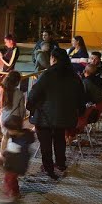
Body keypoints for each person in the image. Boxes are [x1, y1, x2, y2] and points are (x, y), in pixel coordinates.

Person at [26, 48, 85, 180]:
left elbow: (34, 93)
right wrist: (80, 112)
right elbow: (81, 96)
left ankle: (49, 169)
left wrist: (30, 107)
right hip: (64, 117)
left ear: (53, 58)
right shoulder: (73, 75)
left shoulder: (48, 74)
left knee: (46, 144)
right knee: (59, 140)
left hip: (44, 117)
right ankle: (61, 164)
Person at [0, 71, 25, 163]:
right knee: (15, 140)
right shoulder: (20, 94)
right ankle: (12, 160)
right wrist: (22, 119)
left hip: (4, 119)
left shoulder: (2, 90)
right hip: (15, 119)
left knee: (5, 138)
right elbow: (22, 110)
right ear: (17, 82)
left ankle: (1, 157)